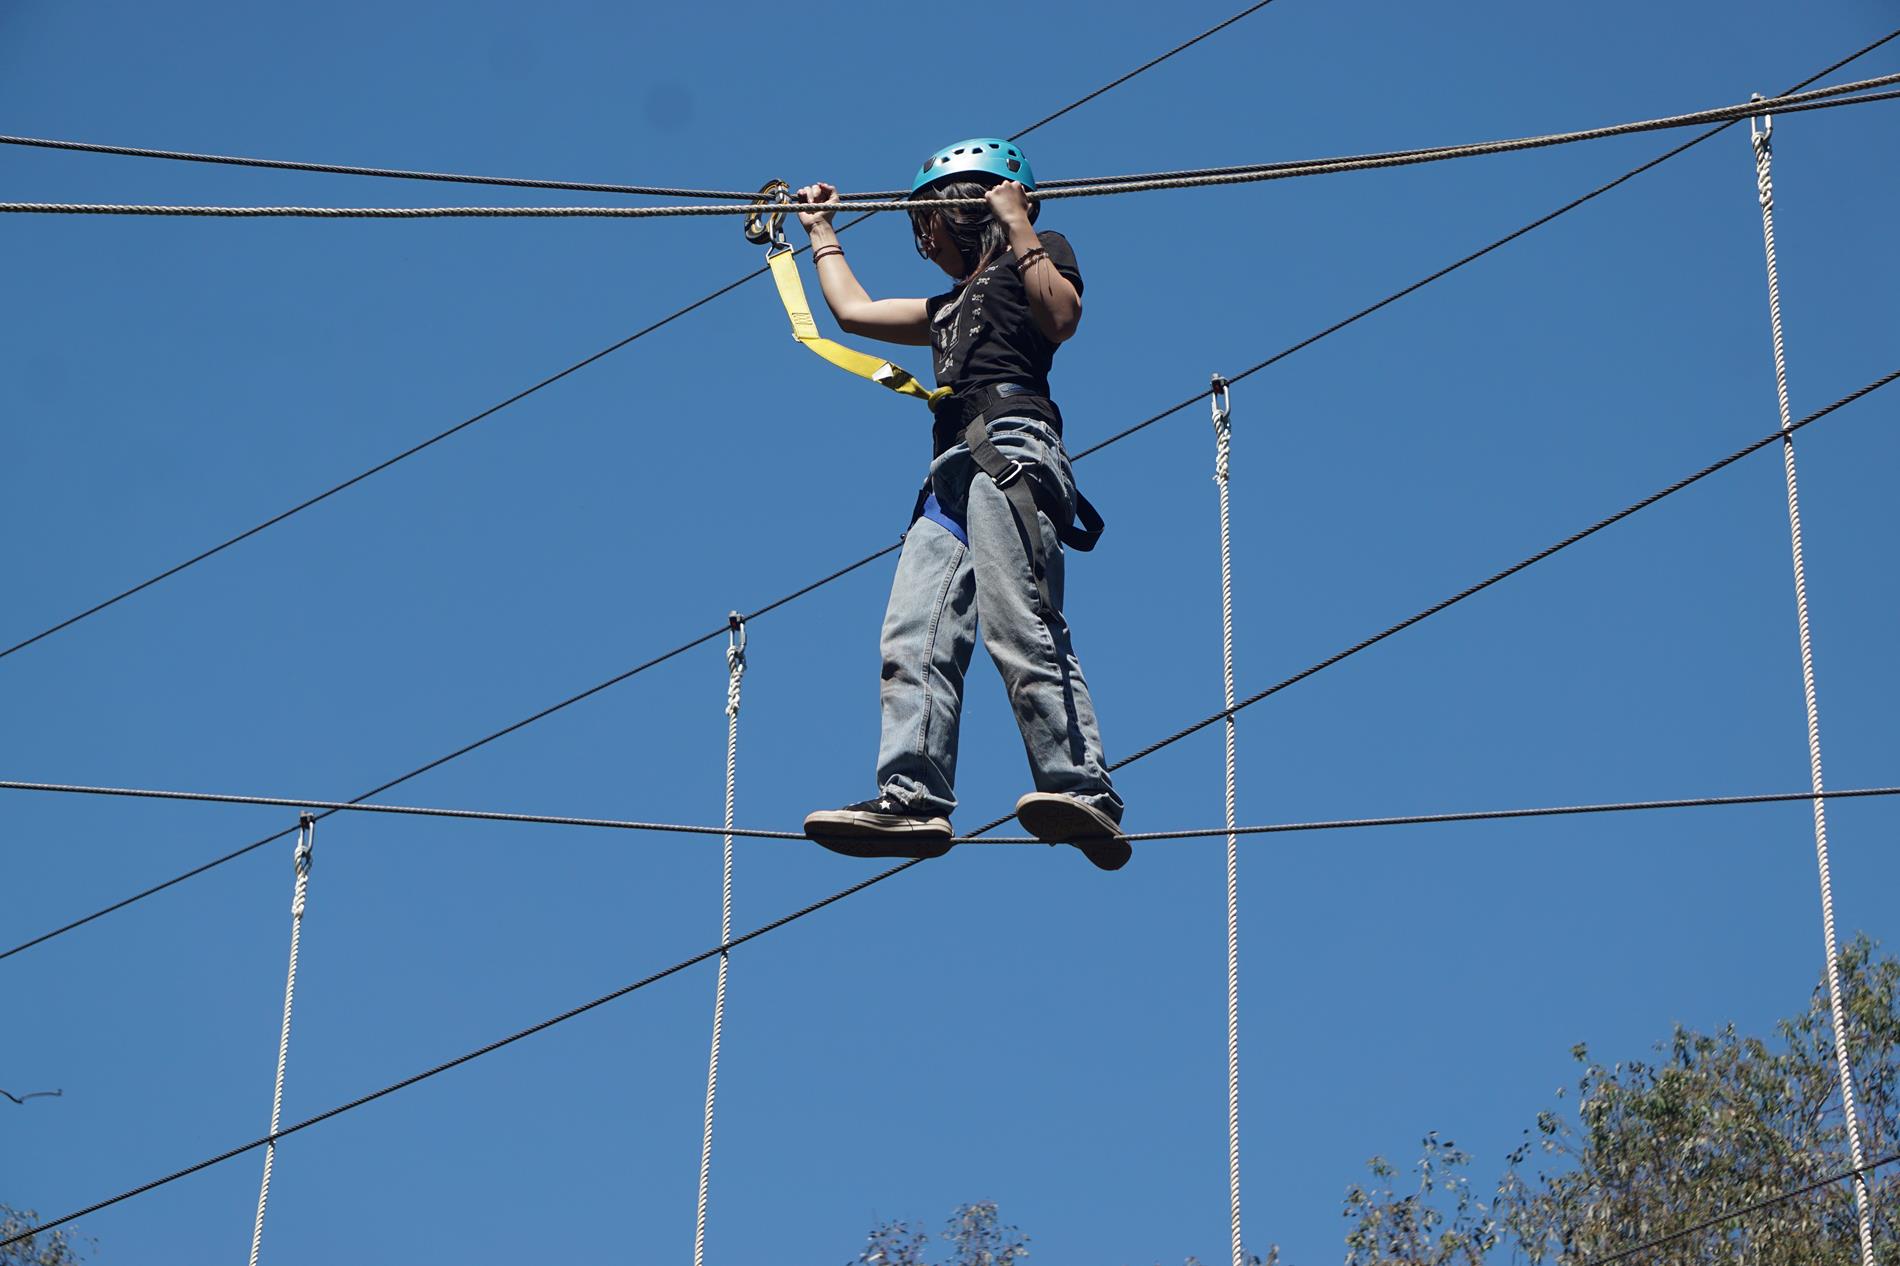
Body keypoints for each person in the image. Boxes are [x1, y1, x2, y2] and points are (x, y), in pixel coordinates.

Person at [797, 138, 1129, 871]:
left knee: (1020, 619)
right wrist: (821, 233)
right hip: (949, 472)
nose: (926, 239)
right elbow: (853, 312)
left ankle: (1083, 790)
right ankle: (911, 797)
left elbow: (1063, 317)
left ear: (971, 206)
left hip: (1011, 446)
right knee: (912, 632)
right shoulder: (946, 308)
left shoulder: (1034, 255)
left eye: (934, 220)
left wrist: (1019, 226)